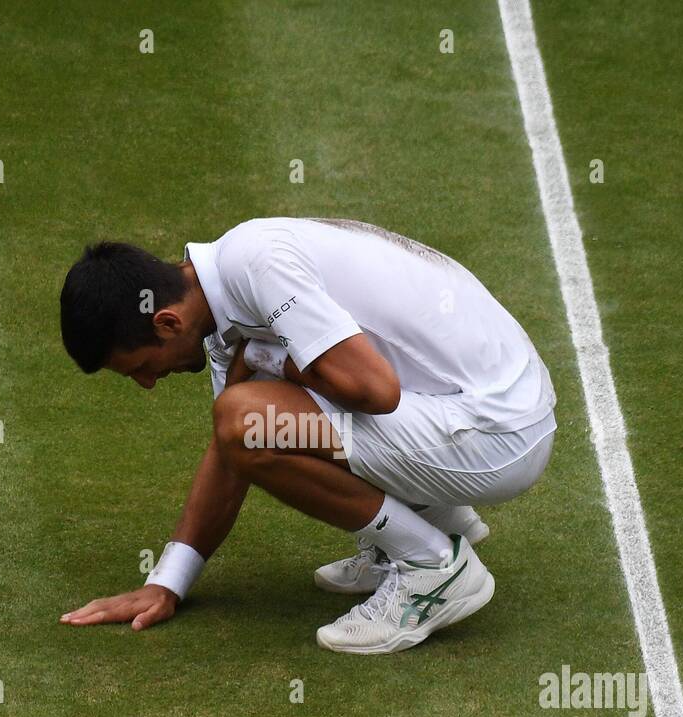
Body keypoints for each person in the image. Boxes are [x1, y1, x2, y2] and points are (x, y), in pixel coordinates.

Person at [57, 218, 556, 654]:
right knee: (249, 421)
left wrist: (264, 358)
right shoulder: (218, 304)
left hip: (500, 431)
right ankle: (435, 519)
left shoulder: (259, 268)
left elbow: (375, 390)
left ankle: (433, 566)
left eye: (141, 368)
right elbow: (233, 452)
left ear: (167, 323)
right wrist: (167, 583)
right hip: (467, 405)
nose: (148, 383)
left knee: (248, 416)